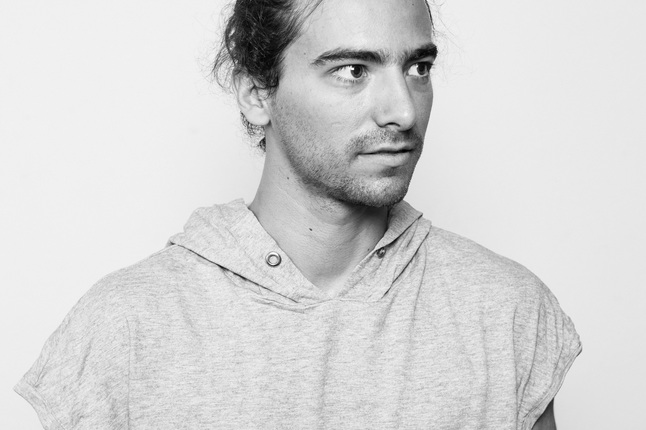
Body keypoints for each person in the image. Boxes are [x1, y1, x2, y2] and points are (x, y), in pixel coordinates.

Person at [15, 0, 581, 428]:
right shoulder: (125, 328)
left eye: (418, 68)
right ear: (257, 93)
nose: (403, 111)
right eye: (353, 70)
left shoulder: (506, 311)